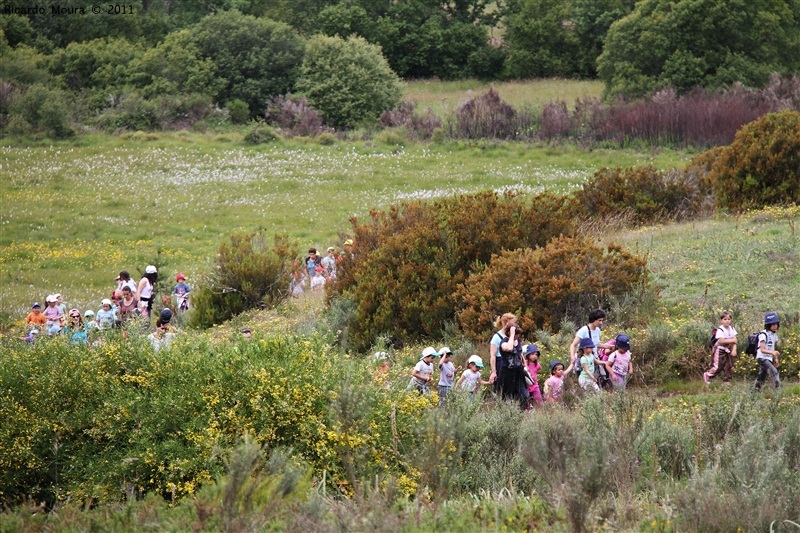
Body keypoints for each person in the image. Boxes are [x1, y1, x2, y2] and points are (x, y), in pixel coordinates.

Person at [490, 314, 528, 409]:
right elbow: (493, 355)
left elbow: (519, 352)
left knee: (523, 394)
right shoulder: (500, 338)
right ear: (505, 323)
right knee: (506, 396)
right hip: (503, 364)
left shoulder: (516, 338)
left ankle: (520, 413)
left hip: (517, 369)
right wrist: (493, 372)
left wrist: (524, 363)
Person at [569, 309, 612, 378]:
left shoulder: (597, 330)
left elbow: (596, 344)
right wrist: (572, 357)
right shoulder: (584, 330)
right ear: (593, 320)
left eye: (602, 320)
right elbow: (573, 344)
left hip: (593, 357)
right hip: (584, 358)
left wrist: (609, 347)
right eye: (599, 320)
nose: (601, 323)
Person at [704, 311, 738, 385]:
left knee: (729, 365)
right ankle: (708, 375)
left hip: (729, 349)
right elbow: (722, 340)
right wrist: (732, 340)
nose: (727, 321)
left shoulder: (732, 328)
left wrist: (734, 350)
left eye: (728, 319)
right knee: (718, 366)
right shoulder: (720, 330)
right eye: (725, 319)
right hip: (720, 350)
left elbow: (735, 341)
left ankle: (727, 381)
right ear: (721, 321)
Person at [753, 312, 781, 391]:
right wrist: (772, 353)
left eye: (776, 324)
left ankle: (755, 391)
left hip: (768, 358)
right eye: (773, 324)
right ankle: (777, 391)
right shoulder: (763, 334)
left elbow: (772, 347)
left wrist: (775, 358)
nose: (775, 326)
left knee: (762, 376)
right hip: (762, 357)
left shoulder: (774, 335)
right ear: (768, 325)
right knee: (774, 372)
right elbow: (762, 349)